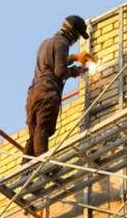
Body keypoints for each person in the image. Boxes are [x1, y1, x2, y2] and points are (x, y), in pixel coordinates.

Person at [24, 14, 90, 159]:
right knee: (43, 128)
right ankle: (44, 163)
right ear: (73, 33)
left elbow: (52, 61)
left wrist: (75, 57)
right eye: (78, 36)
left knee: (34, 133)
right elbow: (59, 72)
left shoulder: (46, 43)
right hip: (47, 93)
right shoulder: (62, 43)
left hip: (33, 94)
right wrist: (76, 71)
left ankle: (26, 166)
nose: (76, 40)